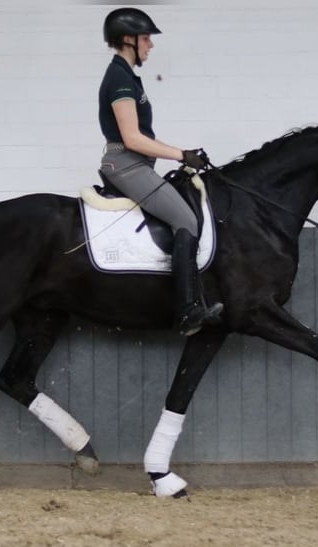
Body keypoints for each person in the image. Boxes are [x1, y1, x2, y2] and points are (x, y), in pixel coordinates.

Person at [98, 7, 223, 336]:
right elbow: (132, 137)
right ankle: (186, 311)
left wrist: (181, 156)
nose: (150, 45)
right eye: (146, 38)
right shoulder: (119, 79)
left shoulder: (127, 77)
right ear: (128, 39)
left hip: (134, 163)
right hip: (125, 163)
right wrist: (182, 154)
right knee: (186, 220)